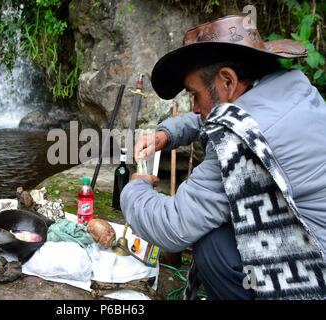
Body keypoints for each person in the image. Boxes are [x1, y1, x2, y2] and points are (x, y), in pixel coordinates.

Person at [120, 15, 326, 299]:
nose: (193, 107)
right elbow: (218, 115)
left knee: (212, 245)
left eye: (194, 94)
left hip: (315, 276)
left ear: (227, 81)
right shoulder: (289, 88)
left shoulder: (240, 141)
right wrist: (166, 135)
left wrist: (134, 189)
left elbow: (174, 225)